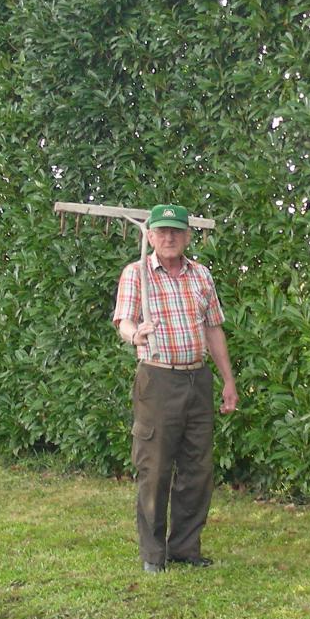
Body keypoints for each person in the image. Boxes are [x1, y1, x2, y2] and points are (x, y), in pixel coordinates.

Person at [112, 203, 237, 573]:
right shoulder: (137, 274)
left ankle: (184, 548)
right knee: (155, 469)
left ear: (187, 236)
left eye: (176, 232)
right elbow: (123, 322)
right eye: (162, 231)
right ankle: (153, 555)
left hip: (198, 379)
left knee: (198, 468)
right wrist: (136, 333)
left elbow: (214, 328)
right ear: (149, 236)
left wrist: (228, 380)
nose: (169, 237)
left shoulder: (201, 276)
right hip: (158, 379)